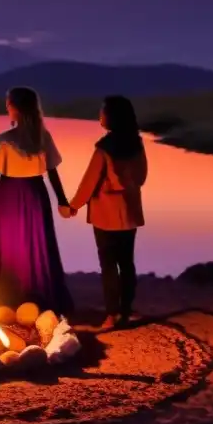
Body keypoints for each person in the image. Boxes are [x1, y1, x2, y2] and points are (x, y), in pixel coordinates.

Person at [0, 86, 73, 315]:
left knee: (9, 246)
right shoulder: (42, 138)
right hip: (35, 194)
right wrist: (62, 201)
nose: (7, 107)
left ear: (14, 108)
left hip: (8, 197)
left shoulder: (3, 141)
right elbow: (52, 173)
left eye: (8, 103)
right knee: (35, 244)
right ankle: (34, 294)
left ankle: (9, 296)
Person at [67, 95, 148, 330]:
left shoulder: (104, 149)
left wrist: (73, 205)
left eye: (102, 111)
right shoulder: (137, 144)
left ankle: (112, 315)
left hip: (106, 215)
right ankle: (126, 311)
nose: (99, 116)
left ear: (112, 117)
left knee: (109, 265)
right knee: (128, 263)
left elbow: (89, 182)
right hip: (129, 212)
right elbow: (141, 177)